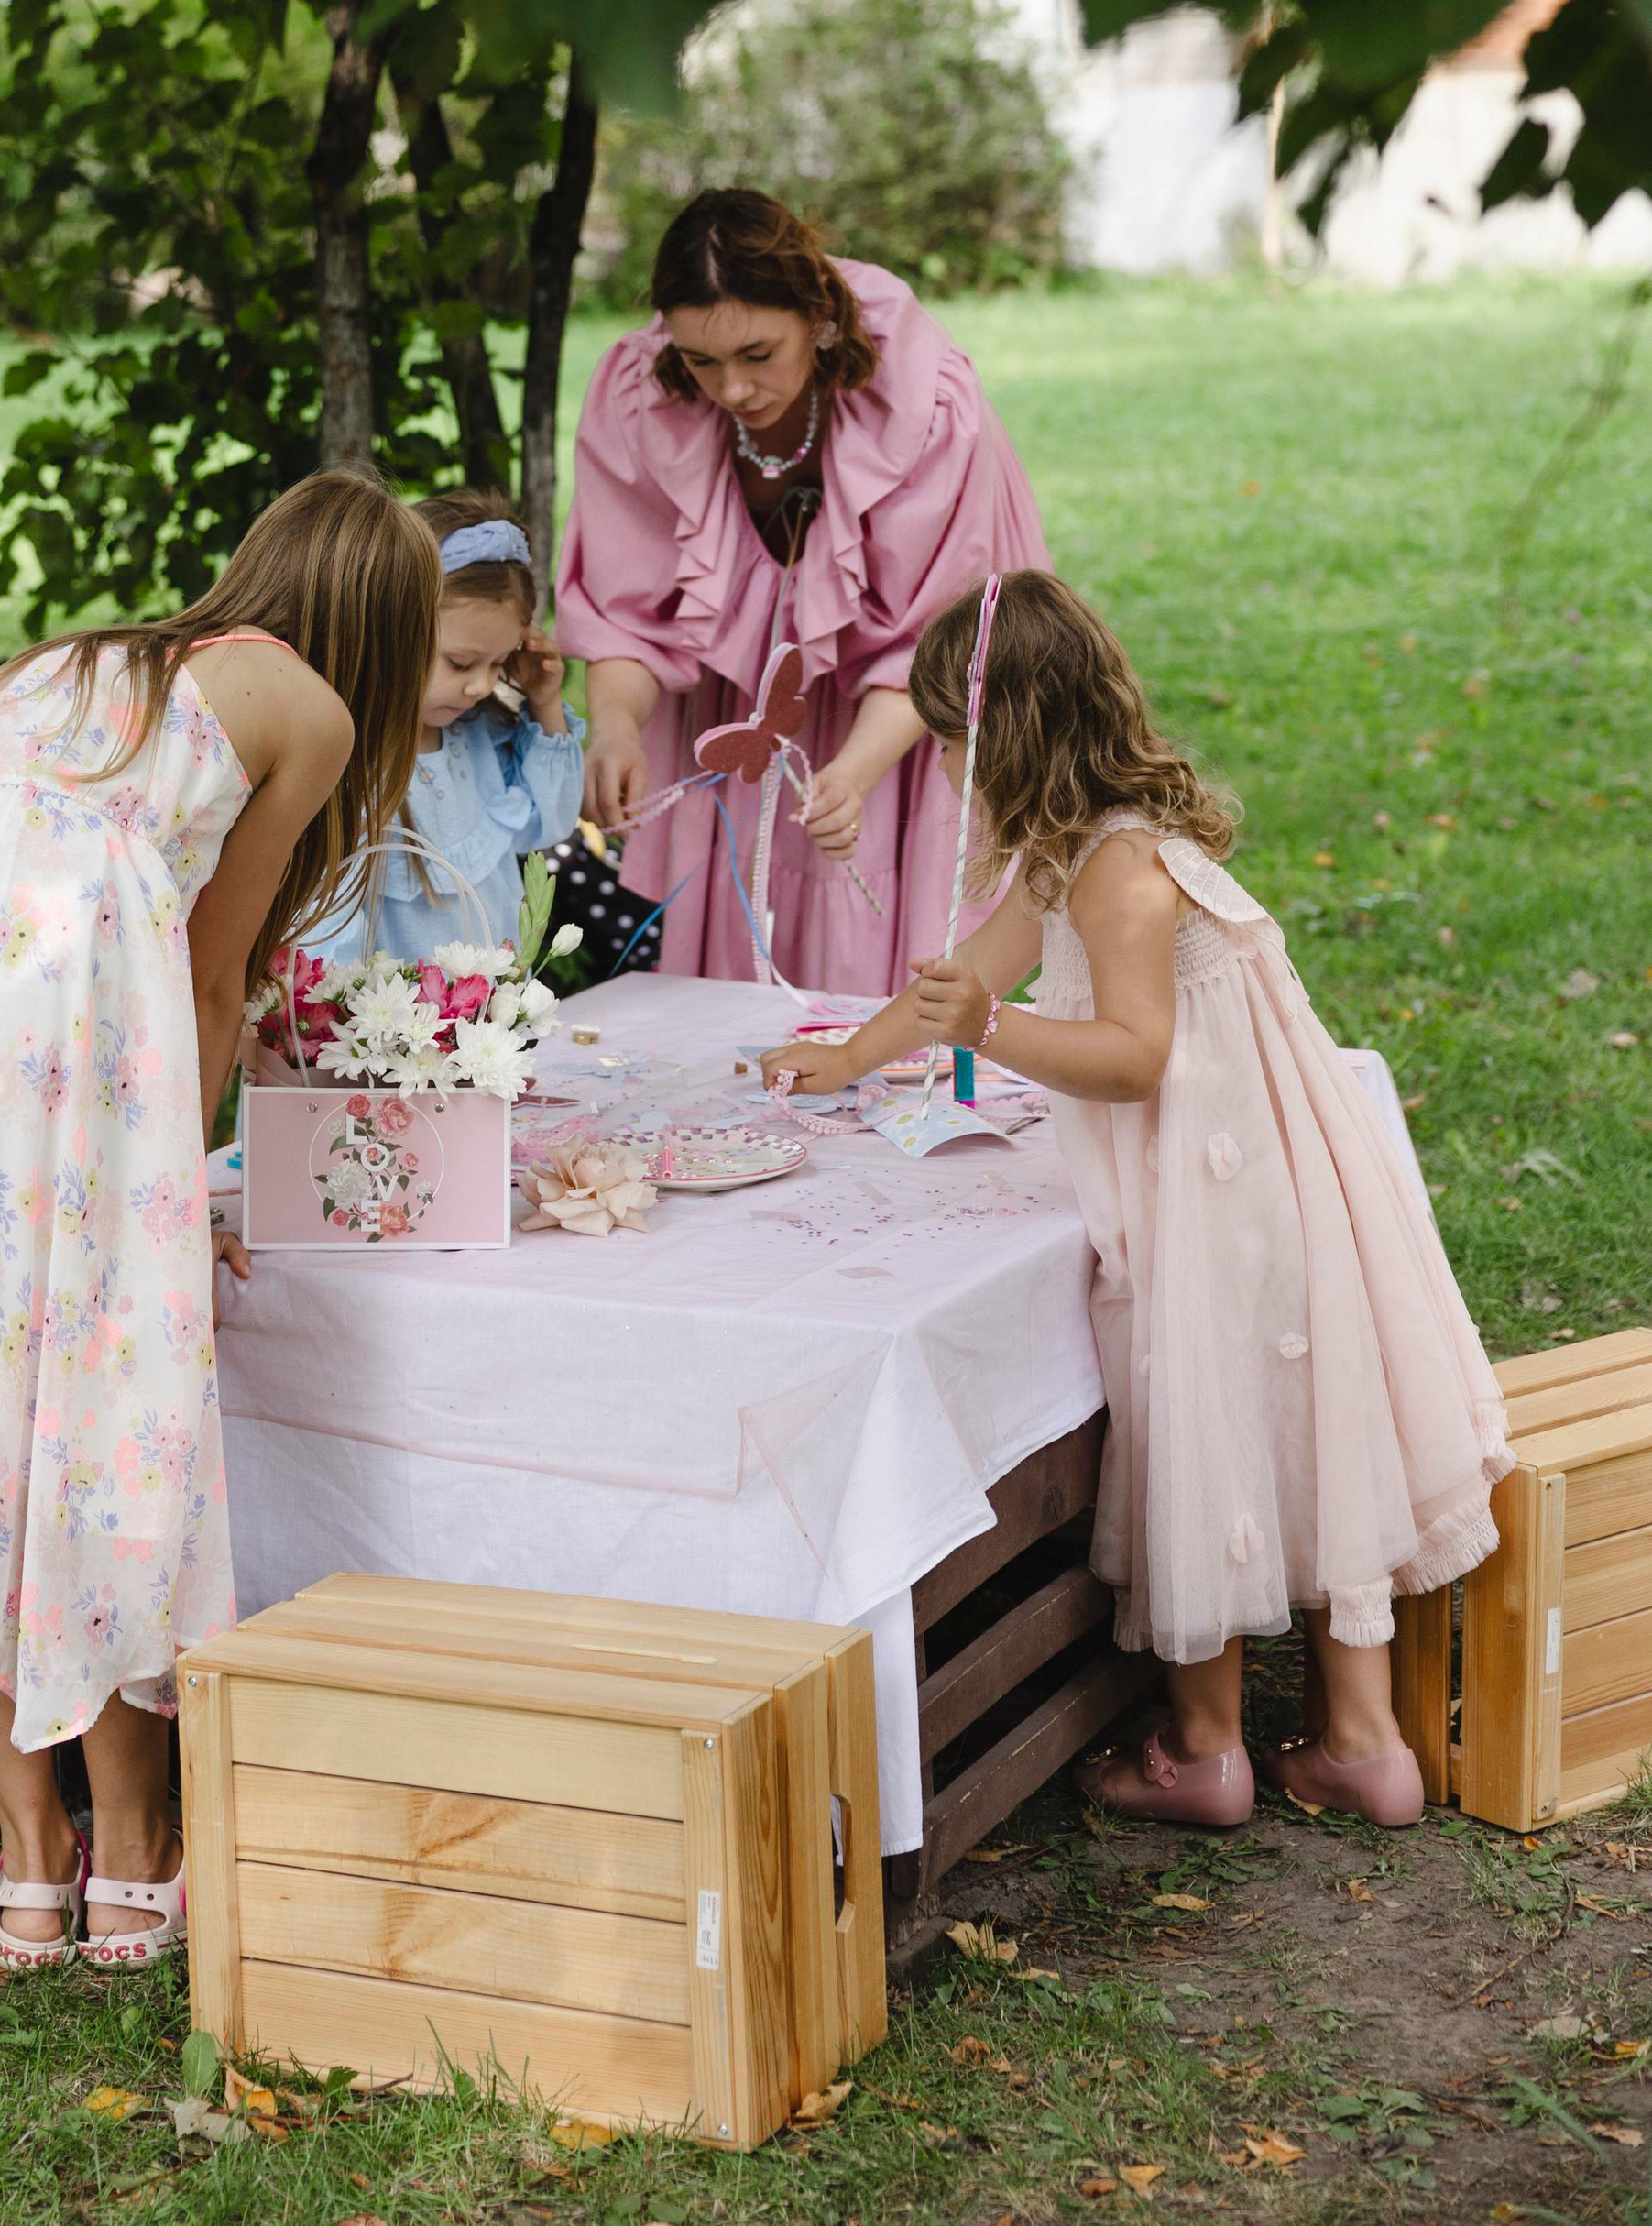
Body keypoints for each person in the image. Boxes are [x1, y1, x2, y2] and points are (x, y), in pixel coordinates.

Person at [0, 471, 438, 1971]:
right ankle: (132, 1852)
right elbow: (207, 971)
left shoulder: (51, 670)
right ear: (387, 636)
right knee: (106, 1424)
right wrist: (165, 1188)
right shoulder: (309, 711)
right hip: (58, 1050)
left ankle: (31, 1860)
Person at [769, 569, 1511, 1830]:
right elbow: (978, 969)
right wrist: (852, 1054)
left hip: (1220, 1209)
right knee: (1318, 1441)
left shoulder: (1121, 874)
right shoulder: (1090, 851)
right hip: (1280, 1184)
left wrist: (992, 1036)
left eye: (951, 741)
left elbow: (1134, 1054)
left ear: (1010, 741)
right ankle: (1367, 1743)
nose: (941, 767)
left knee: (1210, 1443)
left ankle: (1206, 1749)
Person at [559, 188, 1046, 989]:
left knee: (870, 922)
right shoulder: (640, 400)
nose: (733, 391)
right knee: (734, 943)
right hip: (729, 708)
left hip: (909, 717)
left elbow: (939, 643)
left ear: (817, 318)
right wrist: (614, 725)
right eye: (701, 361)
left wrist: (852, 776)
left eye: (758, 354)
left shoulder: (923, 405)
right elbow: (627, 613)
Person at [296, 490, 582, 976]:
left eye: (498, 662)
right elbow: (325, 934)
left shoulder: (479, 737)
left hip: (494, 1036)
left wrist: (544, 701)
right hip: (396, 1036)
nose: (482, 685)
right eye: (462, 662)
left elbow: (550, 823)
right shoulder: (349, 760)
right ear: (390, 629)